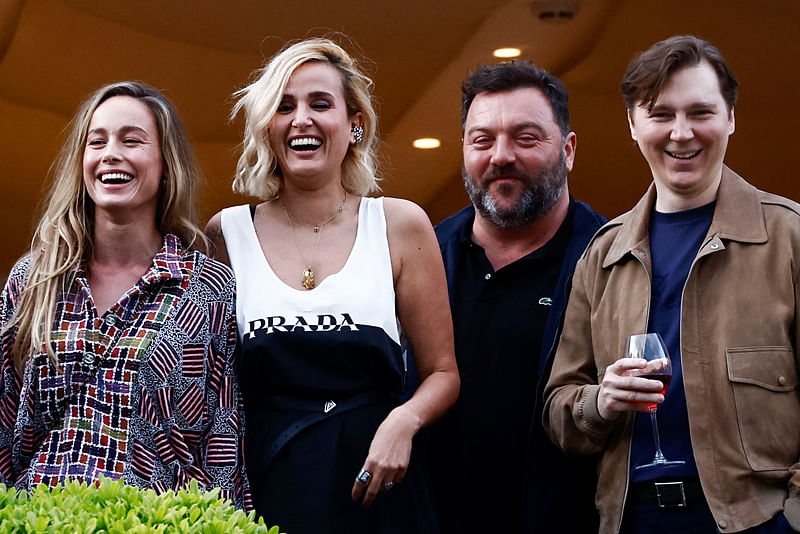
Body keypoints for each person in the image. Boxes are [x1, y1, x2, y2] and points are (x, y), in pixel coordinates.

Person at [544, 35, 800, 534]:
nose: (681, 133)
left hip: (760, 522)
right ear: (633, 126)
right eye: (661, 114)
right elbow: (559, 410)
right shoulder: (601, 256)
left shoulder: (789, 238)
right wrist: (601, 401)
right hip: (632, 520)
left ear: (730, 118)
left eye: (700, 112)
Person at [205, 37, 459, 534]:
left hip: (379, 488)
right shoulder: (225, 234)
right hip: (267, 485)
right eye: (284, 107)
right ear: (267, 128)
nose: (302, 119)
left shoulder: (399, 224)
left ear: (353, 124)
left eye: (320, 104)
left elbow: (444, 373)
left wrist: (402, 423)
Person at [0, 82, 250, 509]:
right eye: (97, 142)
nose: (110, 153)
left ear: (165, 164)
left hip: (154, 521)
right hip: (35, 517)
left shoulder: (209, 289)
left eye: (131, 140)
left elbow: (223, 440)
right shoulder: (33, 279)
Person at [427, 60, 606, 533]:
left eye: (526, 138)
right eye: (482, 140)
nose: (501, 156)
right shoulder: (421, 258)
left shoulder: (616, 262)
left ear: (568, 150)